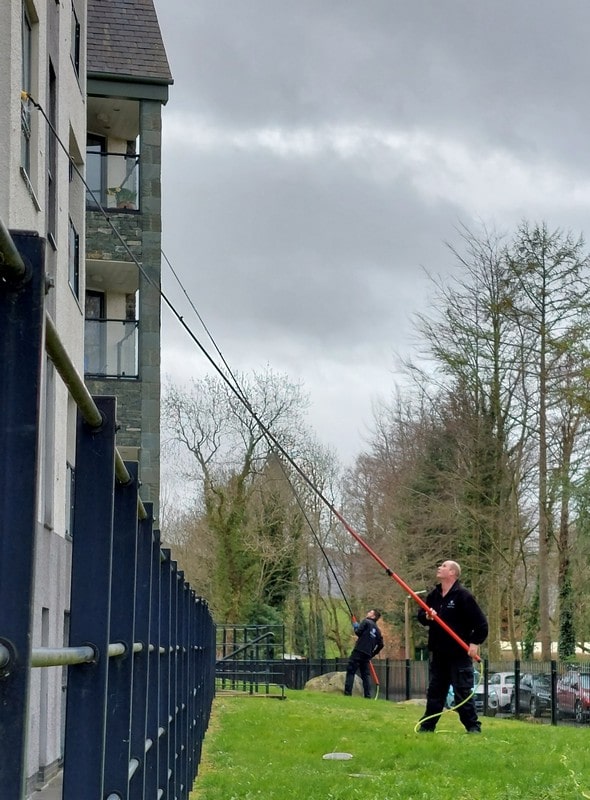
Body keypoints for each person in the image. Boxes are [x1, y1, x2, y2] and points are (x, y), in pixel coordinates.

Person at [417, 560, 488, 733]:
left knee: (462, 692)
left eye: (444, 566)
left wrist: (474, 643)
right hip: (439, 653)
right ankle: (427, 726)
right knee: (435, 692)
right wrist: (427, 616)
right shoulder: (434, 595)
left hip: (458, 654)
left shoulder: (463, 596)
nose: (439, 567)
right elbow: (420, 616)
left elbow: (481, 624)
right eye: (439, 565)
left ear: (452, 573)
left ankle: (473, 727)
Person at [343, 609, 384, 698]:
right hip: (367, 655)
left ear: (373, 616)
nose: (368, 613)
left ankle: (347, 693)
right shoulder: (378, 631)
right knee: (365, 675)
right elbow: (381, 645)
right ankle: (367, 696)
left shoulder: (366, 622)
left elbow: (358, 632)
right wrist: (372, 653)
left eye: (370, 612)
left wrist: (355, 626)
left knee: (351, 671)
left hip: (358, 651)